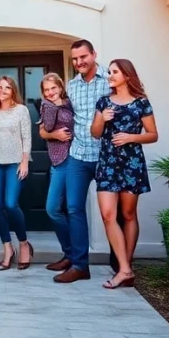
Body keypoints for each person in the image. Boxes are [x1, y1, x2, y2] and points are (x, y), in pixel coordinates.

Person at [92, 59, 158, 289]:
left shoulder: (141, 103)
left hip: (131, 164)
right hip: (107, 163)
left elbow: (153, 134)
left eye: (115, 72)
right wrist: (102, 118)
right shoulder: (103, 102)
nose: (110, 75)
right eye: (109, 72)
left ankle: (125, 268)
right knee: (108, 215)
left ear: (127, 76)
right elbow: (95, 133)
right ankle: (125, 269)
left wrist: (131, 137)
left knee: (128, 214)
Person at [51, 39, 109, 284]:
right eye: (75, 59)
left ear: (94, 54)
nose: (79, 62)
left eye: (83, 57)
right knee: (74, 208)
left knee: (112, 213)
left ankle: (121, 265)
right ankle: (79, 265)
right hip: (78, 155)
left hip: (107, 156)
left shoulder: (110, 80)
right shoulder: (72, 86)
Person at [0, 76, 32, 270]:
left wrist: (24, 161)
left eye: (7, 87)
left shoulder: (21, 110)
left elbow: (27, 137)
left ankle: (24, 244)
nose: (3, 91)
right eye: (0, 87)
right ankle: (7, 247)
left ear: (13, 91)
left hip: (15, 163)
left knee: (11, 204)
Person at [38, 73, 77, 274]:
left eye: (53, 88)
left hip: (74, 160)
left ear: (61, 87)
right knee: (53, 208)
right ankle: (70, 254)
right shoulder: (47, 106)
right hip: (57, 161)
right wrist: (54, 134)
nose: (50, 92)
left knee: (72, 209)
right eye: (46, 90)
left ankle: (74, 256)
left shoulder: (72, 104)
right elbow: (44, 130)